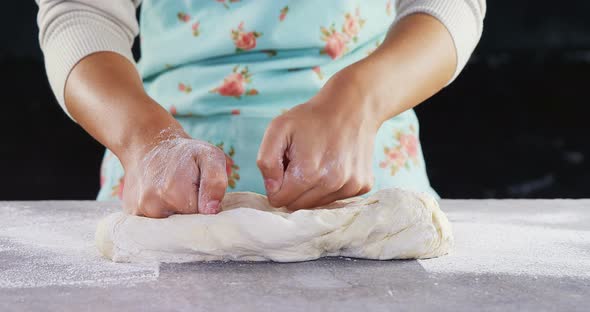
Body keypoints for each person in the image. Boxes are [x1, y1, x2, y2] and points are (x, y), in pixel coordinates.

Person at [36, 1, 486, 217]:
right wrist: (146, 140)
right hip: (164, 183)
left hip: (366, 173)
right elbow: (80, 14)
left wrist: (359, 100)